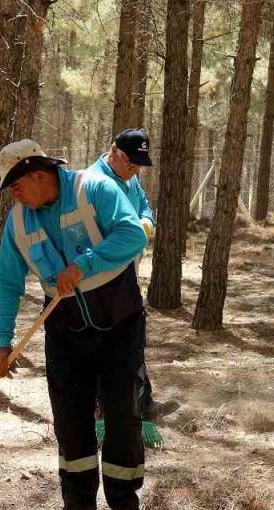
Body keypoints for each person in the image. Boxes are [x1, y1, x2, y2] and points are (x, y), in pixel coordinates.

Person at [0, 139, 149, 510]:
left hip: (120, 320)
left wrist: (84, 265)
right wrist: (1, 342)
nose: (14, 193)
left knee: (121, 411)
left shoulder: (94, 188)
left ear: (38, 174)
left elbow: (134, 234)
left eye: (16, 184)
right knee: (69, 416)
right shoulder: (18, 222)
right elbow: (8, 282)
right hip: (64, 327)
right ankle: (78, 504)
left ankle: (125, 503)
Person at [86, 128, 179, 421]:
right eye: (131, 163)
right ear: (114, 151)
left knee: (132, 340)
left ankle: (144, 402)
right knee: (104, 346)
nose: (135, 169)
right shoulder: (93, 183)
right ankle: (103, 412)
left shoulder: (131, 179)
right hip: (100, 281)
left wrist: (145, 224)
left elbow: (145, 209)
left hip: (127, 275)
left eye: (140, 164)